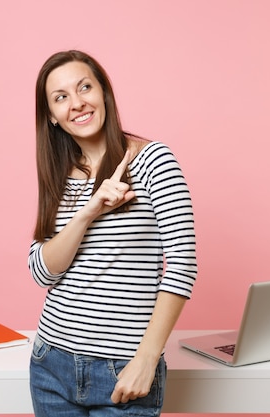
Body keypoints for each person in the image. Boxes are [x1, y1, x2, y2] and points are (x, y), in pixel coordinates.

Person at [27, 50, 198, 417]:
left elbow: (182, 266)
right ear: (53, 118)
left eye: (84, 87)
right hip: (51, 364)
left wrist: (146, 360)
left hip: (122, 369)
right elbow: (42, 271)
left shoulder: (153, 161)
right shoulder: (57, 173)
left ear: (104, 92)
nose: (77, 103)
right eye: (61, 98)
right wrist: (87, 213)